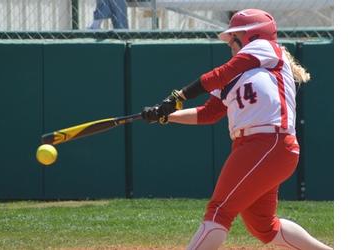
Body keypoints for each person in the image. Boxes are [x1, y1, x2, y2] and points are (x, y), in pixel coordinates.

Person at [141, 9, 333, 250]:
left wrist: (178, 96)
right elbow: (208, 113)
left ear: (253, 36)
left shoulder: (264, 48)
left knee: (219, 211)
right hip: (257, 148)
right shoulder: (238, 75)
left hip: (268, 142)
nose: (230, 43)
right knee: (264, 226)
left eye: (235, 37)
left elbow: (220, 73)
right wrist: (166, 115)